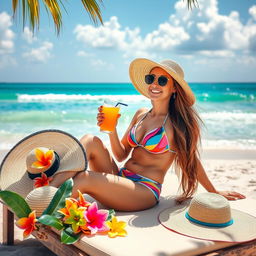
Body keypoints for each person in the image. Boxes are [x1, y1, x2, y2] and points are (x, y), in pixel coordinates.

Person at [51, 58, 246, 211]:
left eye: (162, 80)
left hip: (144, 191)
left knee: (86, 178)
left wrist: (214, 191)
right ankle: (48, 190)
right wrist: (112, 129)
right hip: (121, 178)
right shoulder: (141, 115)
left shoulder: (176, 124)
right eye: (150, 79)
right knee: (89, 140)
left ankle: (46, 205)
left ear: (174, 88)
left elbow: (192, 161)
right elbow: (120, 155)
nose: (154, 84)